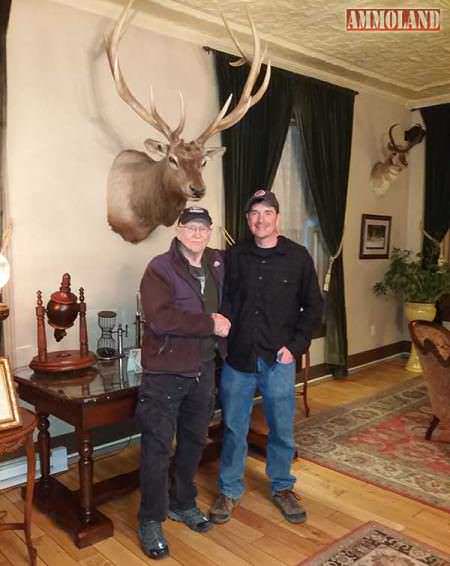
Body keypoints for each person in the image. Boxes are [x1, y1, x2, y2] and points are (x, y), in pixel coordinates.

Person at [209, 189, 323, 525]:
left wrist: (297, 346)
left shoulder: (298, 257)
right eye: (254, 214)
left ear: (277, 217)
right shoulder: (235, 256)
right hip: (239, 358)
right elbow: (224, 300)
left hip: (279, 359)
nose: (260, 220)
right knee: (233, 427)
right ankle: (229, 490)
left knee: (281, 428)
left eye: (267, 213)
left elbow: (314, 307)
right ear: (248, 220)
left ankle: (282, 486)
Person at [136, 206, 230, 560]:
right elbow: (160, 318)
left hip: (203, 370)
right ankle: (150, 519)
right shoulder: (159, 268)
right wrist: (210, 323)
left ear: (210, 233)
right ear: (178, 231)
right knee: (157, 448)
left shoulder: (217, 265)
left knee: (193, 442)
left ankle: (182, 502)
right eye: (190, 227)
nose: (196, 234)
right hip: (164, 374)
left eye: (203, 228)